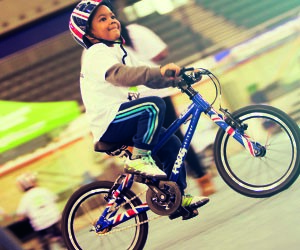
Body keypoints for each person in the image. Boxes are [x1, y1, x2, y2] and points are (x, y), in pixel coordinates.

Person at [69, 0, 209, 208]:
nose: (112, 21)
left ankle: (176, 198)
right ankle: (139, 160)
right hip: (109, 122)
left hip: (125, 120)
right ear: (88, 34)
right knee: (152, 105)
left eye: (112, 16)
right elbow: (121, 76)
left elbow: (148, 78)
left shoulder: (119, 52)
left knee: (172, 144)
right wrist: (158, 71)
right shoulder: (96, 53)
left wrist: (178, 79)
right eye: (102, 19)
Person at [120, 21, 216, 196]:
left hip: (141, 96)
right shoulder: (133, 31)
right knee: (172, 138)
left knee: (155, 144)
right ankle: (200, 179)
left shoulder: (115, 41)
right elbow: (161, 52)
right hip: (151, 94)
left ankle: (168, 188)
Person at [15, 172, 65, 250]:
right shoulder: (43, 190)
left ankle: (46, 242)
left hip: (41, 225)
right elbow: (55, 198)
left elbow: (20, 214)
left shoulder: (25, 198)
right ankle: (63, 242)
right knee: (62, 237)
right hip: (54, 219)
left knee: (44, 244)